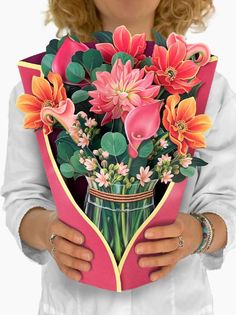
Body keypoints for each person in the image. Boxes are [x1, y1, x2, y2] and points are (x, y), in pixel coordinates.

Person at [1, 0, 236, 314]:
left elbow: (227, 197)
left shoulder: (210, 87)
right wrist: (47, 231)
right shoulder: (40, 87)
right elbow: (21, 194)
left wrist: (200, 233)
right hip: (73, 303)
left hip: (179, 303)